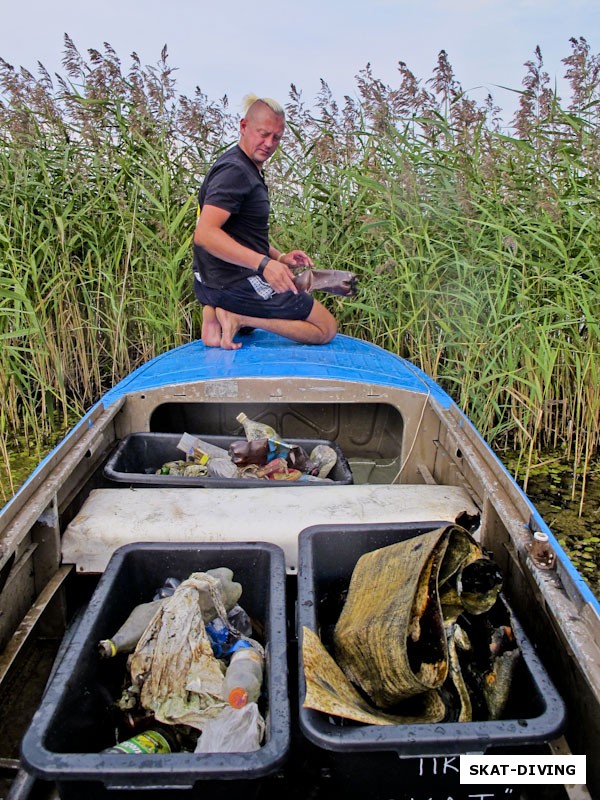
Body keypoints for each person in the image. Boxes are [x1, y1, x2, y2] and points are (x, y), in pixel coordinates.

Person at [192, 94, 337, 350]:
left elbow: (238, 234)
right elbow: (204, 234)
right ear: (244, 126)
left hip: (210, 279)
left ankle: (214, 311)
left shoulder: (243, 166)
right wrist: (265, 266)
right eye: (263, 133)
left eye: (277, 137)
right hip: (232, 280)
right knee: (325, 328)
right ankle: (238, 316)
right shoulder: (235, 171)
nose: (269, 143)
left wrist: (279, 258)